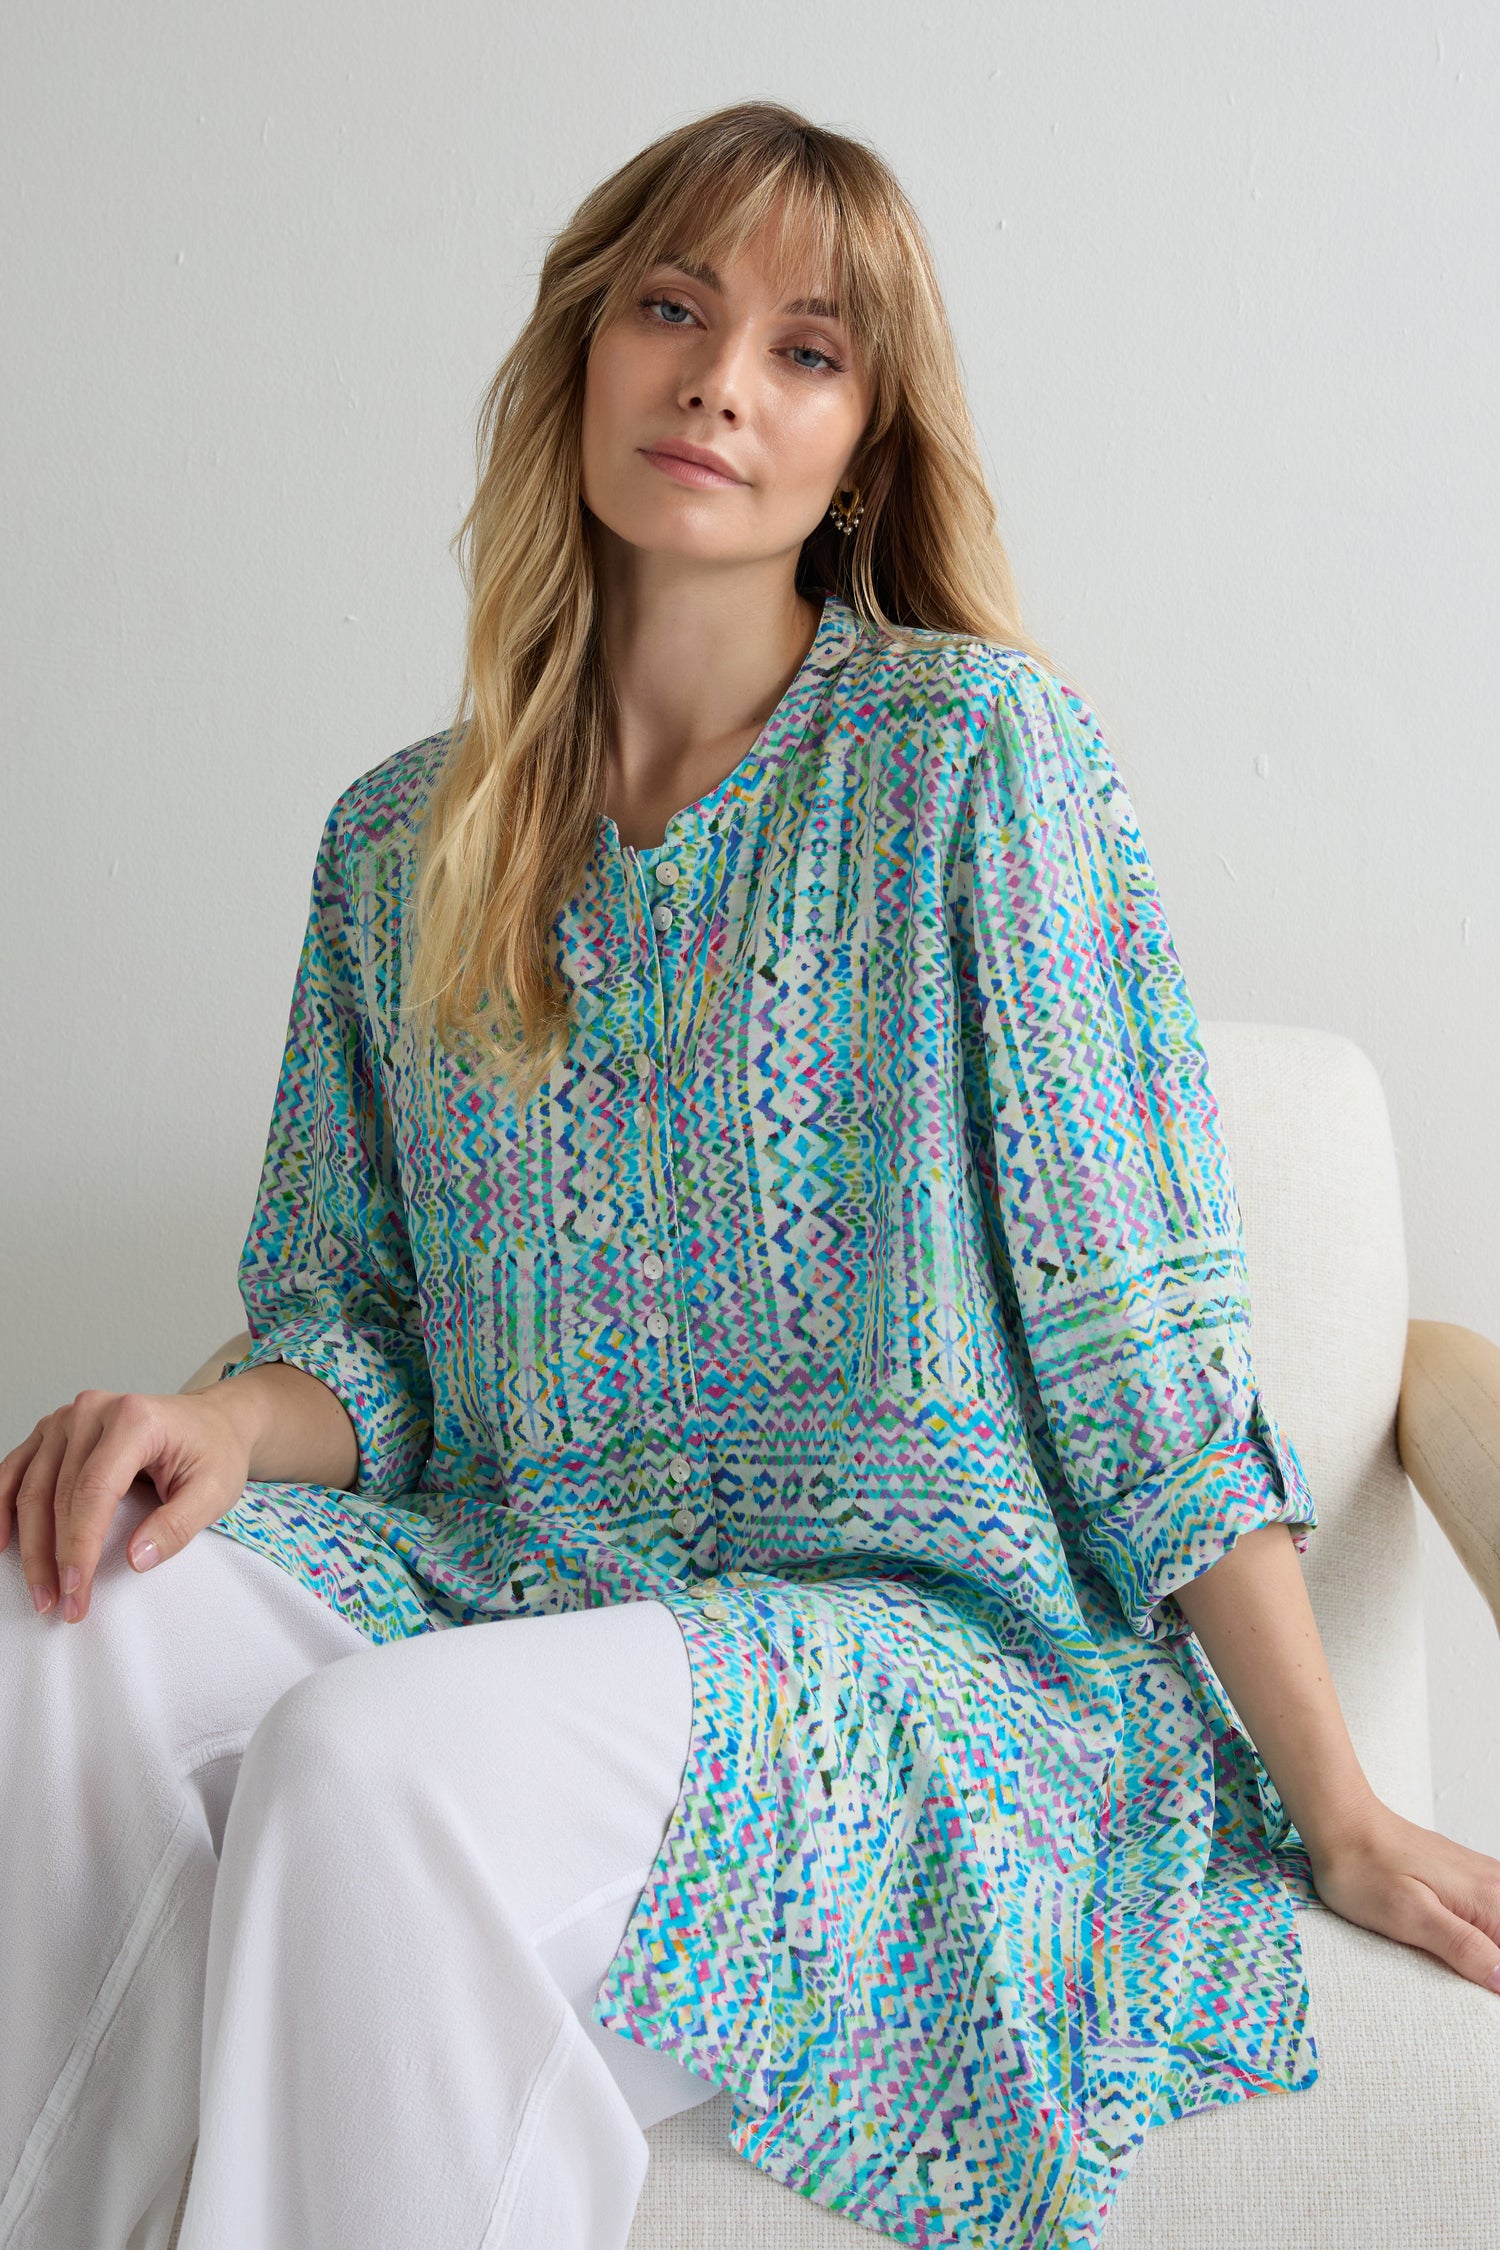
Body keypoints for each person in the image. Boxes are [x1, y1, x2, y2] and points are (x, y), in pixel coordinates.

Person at [3, 98, 1498, 2250]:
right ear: (581, 359)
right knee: (56, 1622)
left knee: (368, 1768)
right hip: (514, 1581)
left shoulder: (971, 760)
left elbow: (1141, 1336)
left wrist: (1339, 1806)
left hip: (911, 1661)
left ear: (863, 446)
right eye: (672, 310)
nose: (719, 377)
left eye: (806, 349)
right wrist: (212, 1421)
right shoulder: (391, 846)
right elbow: (369, 1336)